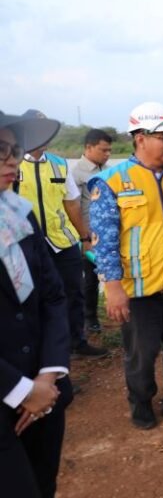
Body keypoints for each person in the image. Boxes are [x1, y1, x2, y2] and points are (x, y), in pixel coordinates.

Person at [88, 101, 163, 430]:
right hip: (139, 289)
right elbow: (104, 243)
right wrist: (112, 288)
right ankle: (141, 402)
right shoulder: (112, 181)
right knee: (142, 354)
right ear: (140, 138)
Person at [1, 109, 74, 498]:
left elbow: (53, 296)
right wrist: (17, 389)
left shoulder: (18, 215)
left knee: (44, 484)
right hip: (9, 399)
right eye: (0, 150)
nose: (11, 159)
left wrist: (47, 376)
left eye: (14, 150)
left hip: (45, 396)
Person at [14, 110, 107, 358]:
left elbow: (72, 203)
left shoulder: (59, 164)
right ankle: (41, 354)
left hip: (62, 241)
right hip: (26, 244)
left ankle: (77, 342)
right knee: (33, 299)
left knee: (72, 292)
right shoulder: (12, 164)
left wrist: (85, 238)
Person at [71, 129, 113, 334]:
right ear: (88, 148)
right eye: (103, 150)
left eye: (109, 151)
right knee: (90, 278)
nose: (107, 154)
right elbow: (74, 208)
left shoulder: (110, 170)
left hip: (110, 234)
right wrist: (84, 237)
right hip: (89, 235)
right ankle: (90, 317)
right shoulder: (76, 173)